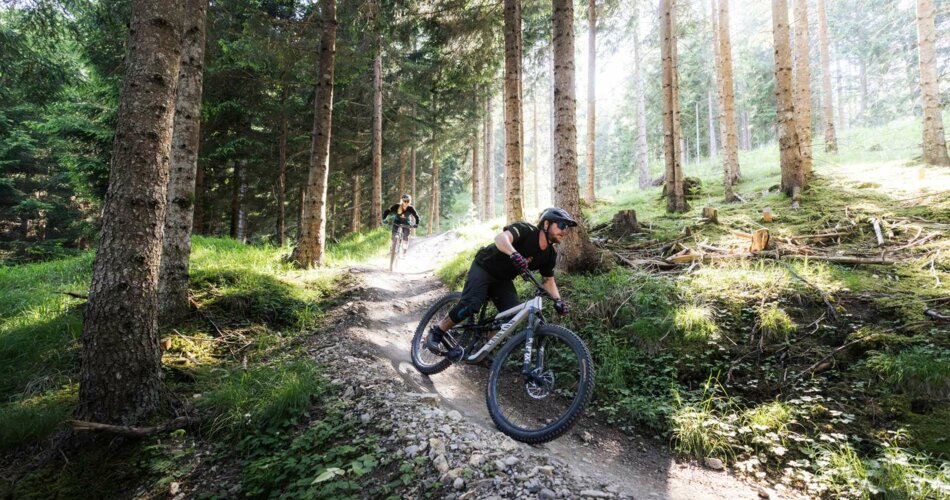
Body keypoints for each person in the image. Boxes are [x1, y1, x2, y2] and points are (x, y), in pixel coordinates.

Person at [426, 207, 575, 357]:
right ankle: (438, 332)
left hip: (503, 280)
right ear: (546, 224)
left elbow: (548, 280)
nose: (565, 230)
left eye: (566, 227)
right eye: (561, 225)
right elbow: (500, 239)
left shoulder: (550, 255)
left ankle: (484, 351)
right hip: (484, 267)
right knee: (471, 304)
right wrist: (514, 253)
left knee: (512, 316)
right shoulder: (526, 230)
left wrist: (559, 301)